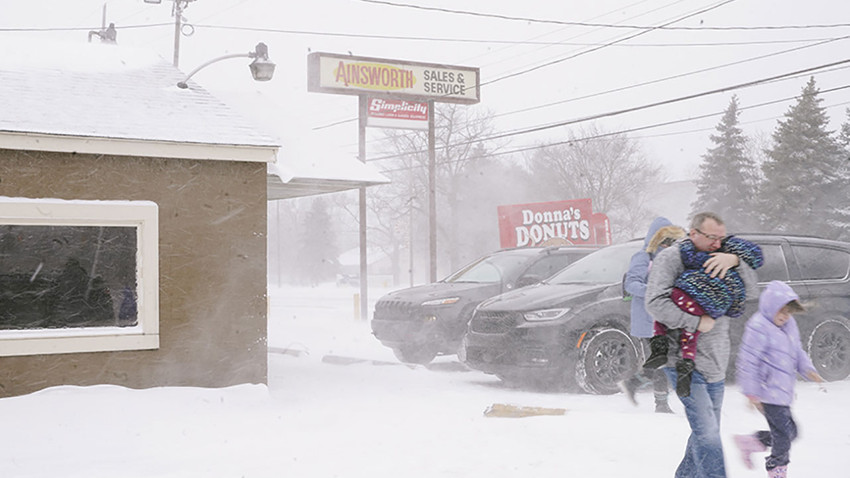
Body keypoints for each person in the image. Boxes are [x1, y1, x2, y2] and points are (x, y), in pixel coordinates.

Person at [645, 211, 759, 478]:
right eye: (711, 237)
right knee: (707, 434)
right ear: (693, 233)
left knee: (703, 434)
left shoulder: (726, 255)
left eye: (721, 237)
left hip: (716, 363)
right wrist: (694, 322)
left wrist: (735, 261)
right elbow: (654, 303)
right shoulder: (671, 258)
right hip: (684, 363)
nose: (718, 243)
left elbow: (752, 291)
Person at [642, 234, 763, 398]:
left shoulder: (704, 254)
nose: (715, 243)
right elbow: (743, 299)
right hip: (706, 311)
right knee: (690, 336)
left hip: (687, 299)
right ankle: (685, 363)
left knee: (667, 321)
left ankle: (660, 348)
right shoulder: (730, 264)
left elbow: (658, 302)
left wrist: (734, 261)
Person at [733, 280, 824, 478]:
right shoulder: (758, 327)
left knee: (791, 433)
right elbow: (748, 362)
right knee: (783, 437)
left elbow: (797, 351)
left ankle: (752, 441)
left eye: (788, 312)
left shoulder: (789, 325)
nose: (784, 316)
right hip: (767, 392)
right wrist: (752, 393)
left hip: (783, 391)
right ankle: (776, 469)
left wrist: (808, 369)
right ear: (769, 307)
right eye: (781, 311)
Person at [619, 217, 685, 413]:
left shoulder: (669, 258)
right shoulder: (642, 258)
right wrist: (655, 291)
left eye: (670, 239)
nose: (667, 244)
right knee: (662, 359)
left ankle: (633, 383)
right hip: (648, 319)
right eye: (664, 239)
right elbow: (631, 285)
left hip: (664, 317)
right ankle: (661, 404)